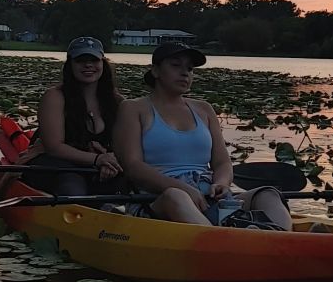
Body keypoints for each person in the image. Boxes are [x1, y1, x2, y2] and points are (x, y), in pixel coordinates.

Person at [115, 42, 291, 229]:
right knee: (176, 196)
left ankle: (281, 240)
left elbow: (222, 163)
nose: (185, 73)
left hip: (208, 195)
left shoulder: (204, 109)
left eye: (190, 69)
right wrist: (184, 188)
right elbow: (133, 167)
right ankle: (227, 240)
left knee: (268, 194)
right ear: (156, 71)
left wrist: (222, 183)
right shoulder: (133, 108)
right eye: (176, 65)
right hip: (158, 199)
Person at [23, 36, 125, 195]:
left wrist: (112, 160)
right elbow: (54, 148)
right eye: (80, 60)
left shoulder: (118, 101)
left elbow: (129, 145)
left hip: (99, 166)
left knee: (131, 180)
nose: (88, 65)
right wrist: (98, 160)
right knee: (72, 185)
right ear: (70, 65)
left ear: (102, 64)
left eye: (94, 60)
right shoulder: (55, 97)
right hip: (57, 165)